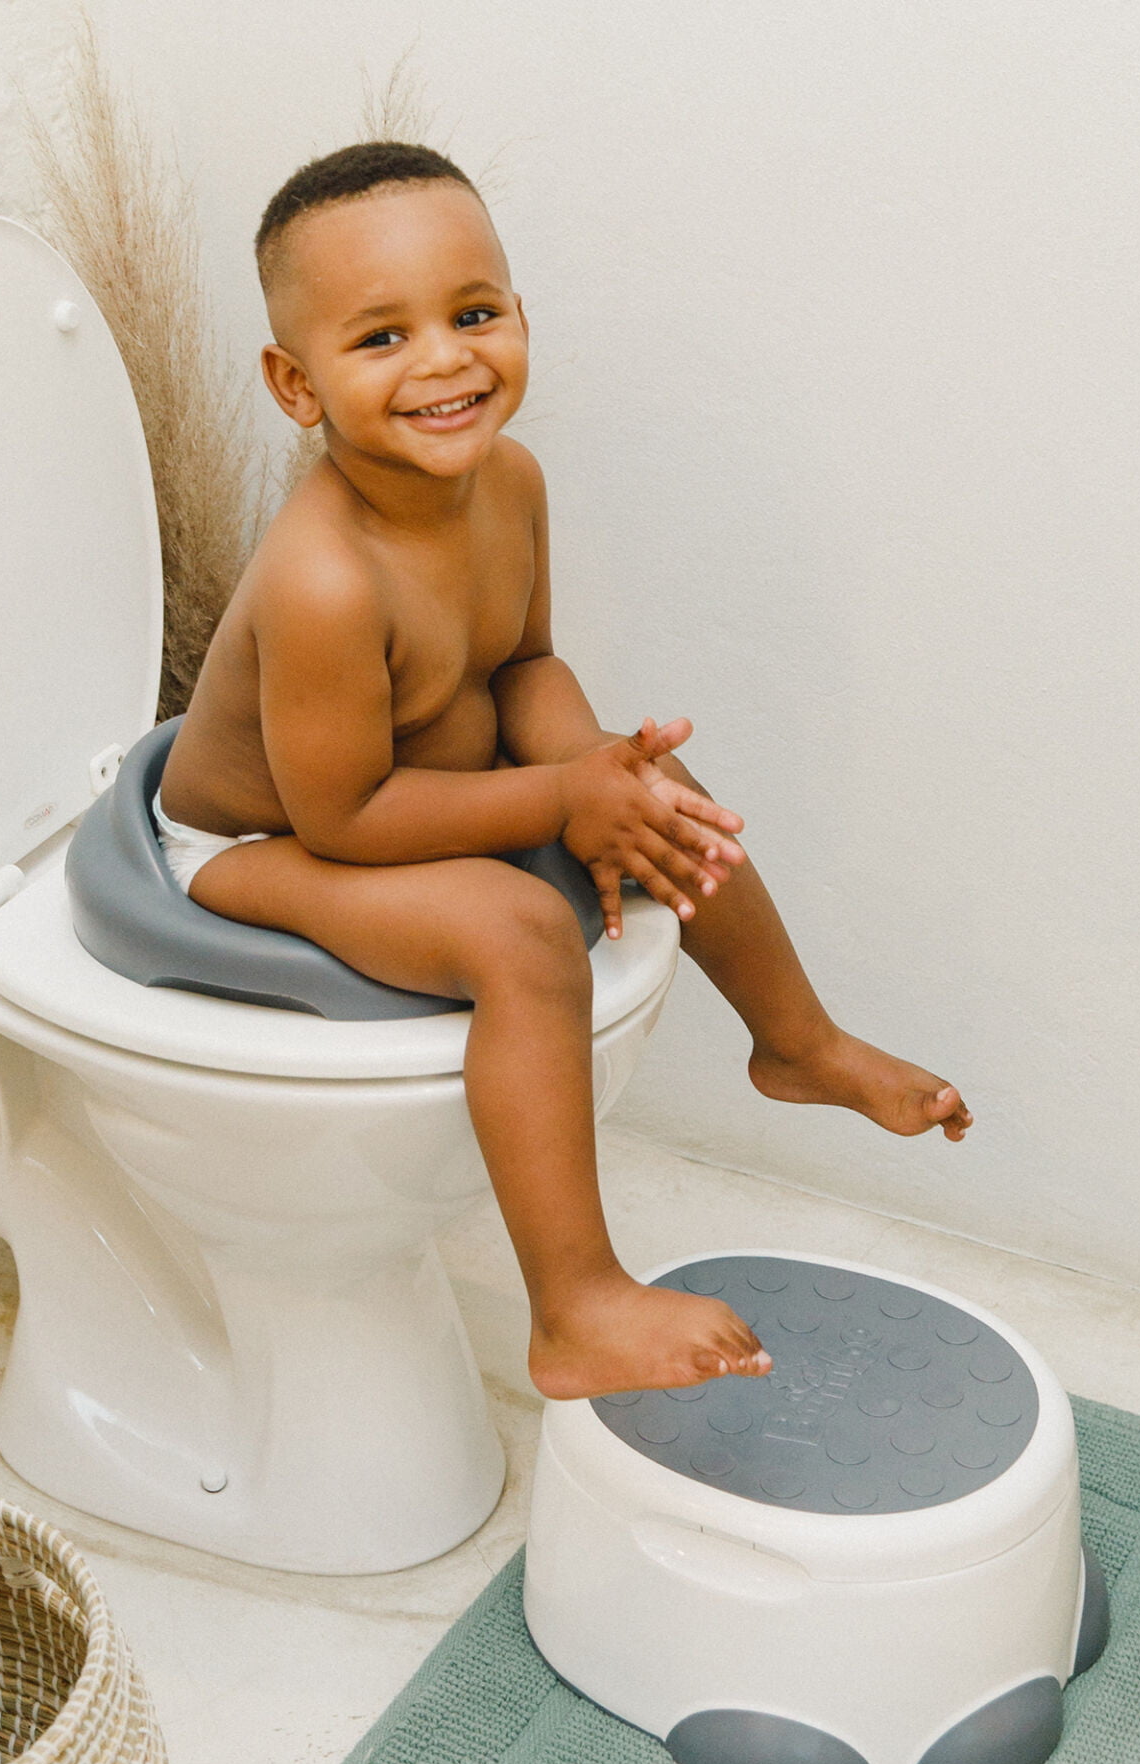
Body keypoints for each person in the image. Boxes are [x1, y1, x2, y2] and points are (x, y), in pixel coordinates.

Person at [158, 142, 972, 1399]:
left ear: (522, 318)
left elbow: (521, 668)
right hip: (258, 851)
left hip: (405, 796)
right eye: (381, 339)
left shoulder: (511, 484)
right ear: (294, 382)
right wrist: (554, 805)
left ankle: (797, 1043)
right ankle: (576, 1300)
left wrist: (600, 771)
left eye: (473, 315)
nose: (444, 360)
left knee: (670, 811)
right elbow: (345, 814)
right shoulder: (323, 579)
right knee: (523, 933)